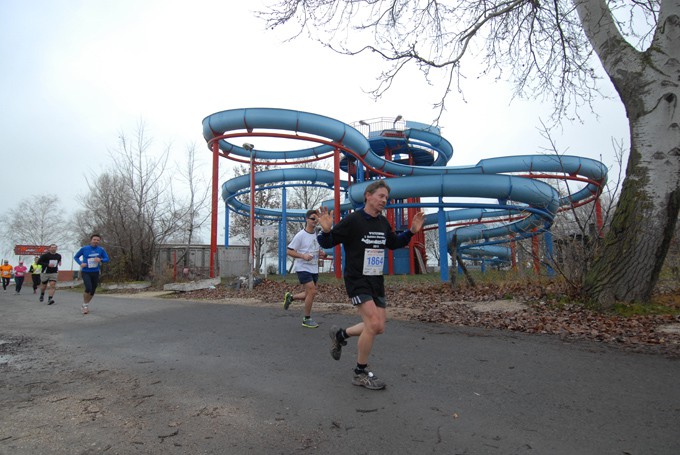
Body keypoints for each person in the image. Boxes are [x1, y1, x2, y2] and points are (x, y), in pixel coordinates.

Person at [316, 180, 424, 390]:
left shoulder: (382, 223)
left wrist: (411, 231)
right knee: (373, 323)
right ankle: (360, 373)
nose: (384, 200)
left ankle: (340, 335)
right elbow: (327, 243)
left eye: (386, 198)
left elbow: (394, 243)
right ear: (368, 195)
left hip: (376, 279)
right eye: (381, 196)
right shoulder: (353, 220)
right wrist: (326, 230)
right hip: (357, 279)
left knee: (378, 327)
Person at [283, 209, 326, 328]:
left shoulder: (317, 234)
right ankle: (306, 318)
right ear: (307, 219)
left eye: (316, 219)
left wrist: (321, 254)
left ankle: (291, 297)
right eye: (313, 219)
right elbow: (289, 251)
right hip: (303, 267)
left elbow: (315, 249)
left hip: (314, 268)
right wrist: (303, 256)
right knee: (312, 291)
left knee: (309, 293)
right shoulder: (300, 235)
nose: (315, 221)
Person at [73, 234, 109, 314]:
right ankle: (85, 306)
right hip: (86, 271)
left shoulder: (101, 249)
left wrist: (100, 260)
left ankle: (85, 304)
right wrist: (81, 263)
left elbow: (107, 259)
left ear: (99, 241)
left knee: (93, 290)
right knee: (88, 288)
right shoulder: (84, 248)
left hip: (95, 272)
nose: (96, 241)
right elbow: (76, 257)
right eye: (94, 239)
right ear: (91, 240)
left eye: (98, 240)